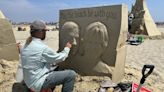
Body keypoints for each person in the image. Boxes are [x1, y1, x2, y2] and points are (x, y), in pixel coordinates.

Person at [21, 20, 76, 92]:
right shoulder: (42, 47)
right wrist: (67, 48)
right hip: (37, 83)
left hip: (29, 81)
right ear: (40, 32)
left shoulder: (26, 44)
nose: (45, 33)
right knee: (71, 75)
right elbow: (60, 58)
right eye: (44, 31)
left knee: (56, 67)